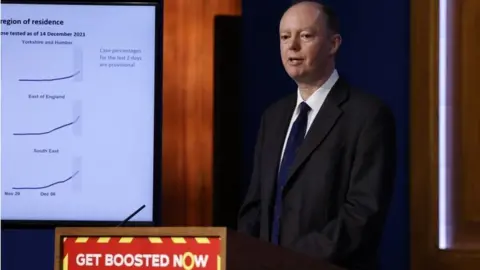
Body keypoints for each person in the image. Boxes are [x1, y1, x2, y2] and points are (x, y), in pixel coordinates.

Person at [237, 1, 396, 269]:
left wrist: (288, 260)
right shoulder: (273, 118)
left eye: (306, 35)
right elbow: (255, 207)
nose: (292, 46)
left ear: (333, 44)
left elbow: (362, 214)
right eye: (285, 37)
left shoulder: (367, 116)